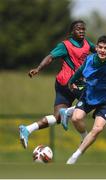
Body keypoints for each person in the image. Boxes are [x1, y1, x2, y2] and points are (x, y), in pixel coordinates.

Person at [19, 20, 96, 149]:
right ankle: (84, 137)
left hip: (62, 84)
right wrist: (38, 68)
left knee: (57, 118)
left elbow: (100, 51)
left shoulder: (88, 44)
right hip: (70, 82)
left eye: (83, 29)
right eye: (78, 29)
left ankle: (27, 129)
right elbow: (50, 57)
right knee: (92, 98)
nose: (81, 31)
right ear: (72, 32)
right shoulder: (65, 45)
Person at [66, 35, 106, 164]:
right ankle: (84, 137)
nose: (102, 50)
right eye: (100, 47)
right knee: (76, 118)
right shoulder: (89, 60)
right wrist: (71, 81)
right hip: (89, 94)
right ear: (96, 48)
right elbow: (80, 71)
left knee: (98, 129)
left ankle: (74, 156)